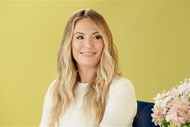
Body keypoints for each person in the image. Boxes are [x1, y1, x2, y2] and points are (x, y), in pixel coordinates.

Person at [40, 8, 137, 127]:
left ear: (105, 43)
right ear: (69, 44)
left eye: (97, 37)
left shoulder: (120, 88)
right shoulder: (56, 89)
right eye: (80, 37)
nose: (88, 45)